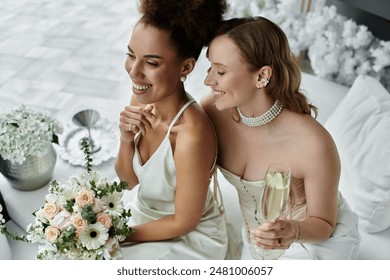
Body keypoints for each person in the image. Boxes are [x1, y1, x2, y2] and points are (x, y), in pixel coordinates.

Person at [200, 16, 361, 260]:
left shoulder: (313, 143)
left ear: (261, 76)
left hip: (312, 242)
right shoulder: (213, 110)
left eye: (220, 71)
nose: (208, 81)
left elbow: (324, 222)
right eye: (210, 67)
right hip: (257, 240)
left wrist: (293, 230)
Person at [114, 0, 234, 259]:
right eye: (131, 55)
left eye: (151, 63)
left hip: (187, 239)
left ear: (186, 67)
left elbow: (183, 222)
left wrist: (120, 235)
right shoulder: (143, 99)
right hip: (143, 218)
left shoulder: (191, 135)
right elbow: (128, 182)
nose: (134, 72)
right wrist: (125, 140)